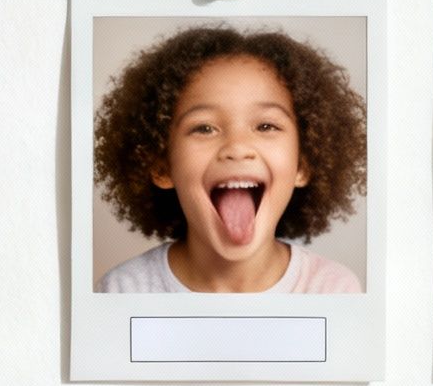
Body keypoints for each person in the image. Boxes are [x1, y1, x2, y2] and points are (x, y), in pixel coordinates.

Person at [95, 25, 366, 293]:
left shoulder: (332, 289)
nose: (237, 148)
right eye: (204, 128)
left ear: (303, 164)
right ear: (162, 166)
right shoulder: (124, 290)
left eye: (266, 126)